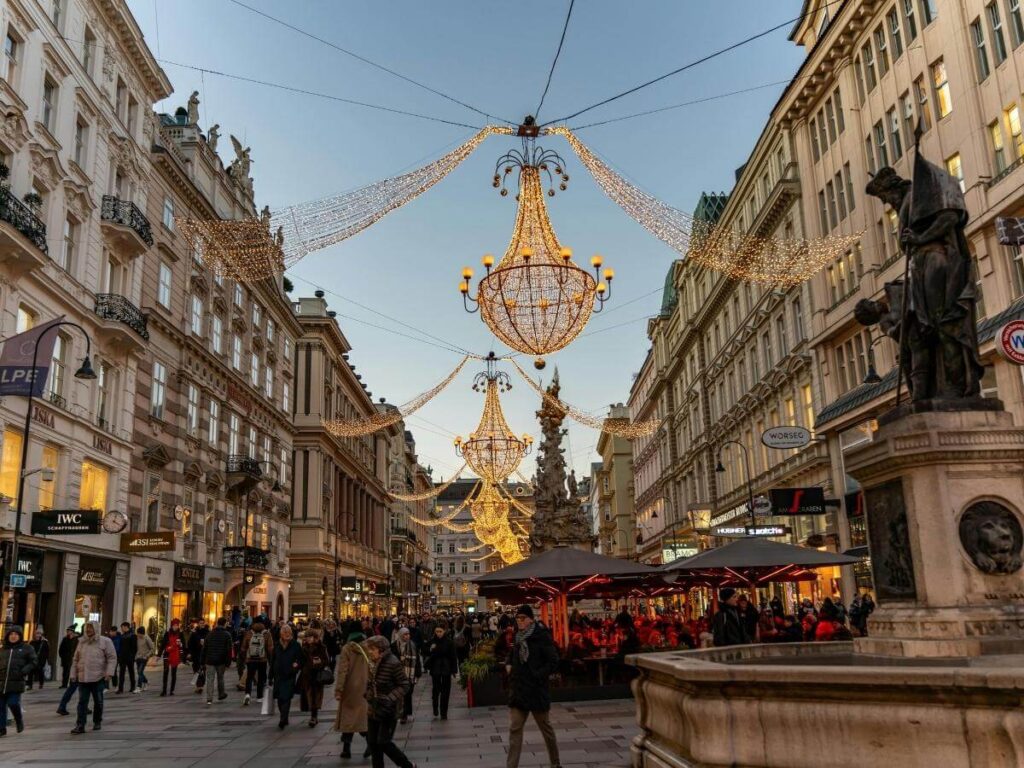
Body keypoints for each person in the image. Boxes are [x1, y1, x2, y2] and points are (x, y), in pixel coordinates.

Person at [505, 605, 561, 768]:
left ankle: (555, 763)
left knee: (546, 729)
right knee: (515, 729)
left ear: (531, 619)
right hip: (520, 691)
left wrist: (538, 675)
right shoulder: (518, 637)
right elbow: (512, 654)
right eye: (518, 618)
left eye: (523, 618)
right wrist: (509, 663)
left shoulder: (541, 636)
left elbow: (553, 661)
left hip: (536, 690)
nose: (520, 621)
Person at [363, 635, 416, 768]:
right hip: (374, 706)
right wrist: (368, 693)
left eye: (372, 649)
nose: (369, 652)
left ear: (381, 649)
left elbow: (405, 684)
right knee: (373, 743)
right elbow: (370, 683)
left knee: (383, 742)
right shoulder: (372, 663)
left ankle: (407, 765)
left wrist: (390, 698)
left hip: (388, 709)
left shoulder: (393, 662)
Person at [69, 622, 116, 735]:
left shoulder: (105, 641)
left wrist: (109, 673)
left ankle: (97, 721)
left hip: (98, 677)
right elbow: (75, 659)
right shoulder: (81, 642)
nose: (88, 630)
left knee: (98, 701)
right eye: (87, 628)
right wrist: (73, 674)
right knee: (82, 702)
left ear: (95, 629)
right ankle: (80, 725)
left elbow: (112, 658)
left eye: (91, 628)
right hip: (83, 677)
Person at [335, 622, 370, 760]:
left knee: (348, 718)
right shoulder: (368, 646)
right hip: (364, 686)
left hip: (350, 688)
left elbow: (343, 671)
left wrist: (339, 689)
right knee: (361, 718)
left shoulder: (347, 649)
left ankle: (346, 749)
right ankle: (369, 743)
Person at [0, 626, 37, 735]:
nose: (13, 636)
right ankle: (1, 728)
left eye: (16, 634)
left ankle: (18, 719)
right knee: (1, 706)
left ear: (20, 636)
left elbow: (33, 661)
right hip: (2, 682)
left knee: (13, 703)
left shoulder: (27, 648)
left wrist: (24, 671)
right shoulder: (3, 649)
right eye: (11, 634)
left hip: (16, 682)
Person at [270, 624, 304, 729]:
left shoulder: (295, 645)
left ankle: (283, 718)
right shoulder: (277, 645)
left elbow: (301, 659)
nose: (286, 634)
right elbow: (272, 661)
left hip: (289, 674)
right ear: (281, 634)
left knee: (286, 696)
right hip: (278, 675)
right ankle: (284, 716)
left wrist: (296, 666)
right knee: (280, 698)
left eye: (288, 632)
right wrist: (270, 676)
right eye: (284, 632)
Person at [424, 621, 457, 721]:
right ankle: (435, 707)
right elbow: (424, 650)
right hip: (435, 668)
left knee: (446, 692)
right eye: (437, 631)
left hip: (446, 668)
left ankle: (444, 713)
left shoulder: (449, 642)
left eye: (440, 631)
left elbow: (453, 656)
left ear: (444, 631)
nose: (438, 633)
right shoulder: (432, 641)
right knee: (436, 689)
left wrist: (454, 670)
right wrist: (430, 649)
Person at [299, 627, 329, 727]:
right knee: (309, 696)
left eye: (309, 637)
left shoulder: (321, 647)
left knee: (315, 697)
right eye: (306, 637)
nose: (307, 638)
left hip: (317, 676)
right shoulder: (304, 647)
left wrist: (319, 662)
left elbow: (326, 660)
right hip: (307, 675)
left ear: (315, 637)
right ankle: (313, 715)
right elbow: (301, 661)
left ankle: (314, 717)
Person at [391, 627, 421, 724]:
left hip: (409, 674)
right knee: (401, 694)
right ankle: (402, 714)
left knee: (408, 694)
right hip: (398, 674)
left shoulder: (413, 645)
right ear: (400, 635)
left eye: (408, 634)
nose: (407, 636)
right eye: (405, 634)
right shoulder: (394, 645)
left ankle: (407, 712)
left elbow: (417, 660)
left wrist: (417, 673)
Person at [202, 617, 233, 705]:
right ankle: (221, 694)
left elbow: (204, 648)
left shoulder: (209, 634)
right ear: (225, 624)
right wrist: (228, 662)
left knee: (210, 679)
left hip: (210, 660)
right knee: (220, 678)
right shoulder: (227, 635)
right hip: (221, 660)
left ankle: (209, 698)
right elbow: (229, 650)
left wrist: (202, 660)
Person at [241, 620, 273, 705]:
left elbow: (243, 647)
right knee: (261, 678)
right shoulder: (267, 634)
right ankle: (259, 697)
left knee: (249, 678)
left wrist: (244, 658)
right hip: (262, 659)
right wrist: (270, 660)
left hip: (250, 659)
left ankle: (247, 694)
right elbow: (270, 649)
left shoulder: (249, 633)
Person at [159, 619, 185, 696]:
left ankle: (172, 690)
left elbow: (184, 644)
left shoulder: (180, 634)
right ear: (172, 626)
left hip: (175, 655)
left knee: (174, 673)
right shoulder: (167, 633)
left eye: (177, 625)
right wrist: (158, 655)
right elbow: (163, 644)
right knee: (165, 672)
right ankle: (164, 690)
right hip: (167, 654)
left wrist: (181, 646)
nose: (175, 627)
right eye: (174, 625)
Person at [187, 618, 208, 693]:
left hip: (204, 655)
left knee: (203, 670)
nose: (201, 624)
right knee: (196, 670)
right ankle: (199, 686)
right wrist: (189, 653)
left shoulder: (207, 632)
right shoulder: (194, 632)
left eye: (203, 623)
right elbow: (190, 644)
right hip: (196, 654)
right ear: (198, 624)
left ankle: (201, 685)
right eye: (200, 623)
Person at [115, 622, 137, 694]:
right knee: (121, 673)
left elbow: (134, 648)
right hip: (122, 657)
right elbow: (120, 647)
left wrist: (132, 656)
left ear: (125, 627)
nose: (121, 629)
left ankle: (133, 687)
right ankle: (120, 688)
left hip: (130, 657)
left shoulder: (132, 635)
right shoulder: (122, 636)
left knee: (131, 672)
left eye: (122, 627)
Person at [135, 626, 154, 692]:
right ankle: (146, 681)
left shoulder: (147, 638)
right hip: (138, 657)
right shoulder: (137, 638)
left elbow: (152, 649)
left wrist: (147, 655)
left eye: (138, 633)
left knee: (140, 671)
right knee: (139, 672)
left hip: (144, 658)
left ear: (142, 633)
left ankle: (138, 687)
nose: (137, 634)